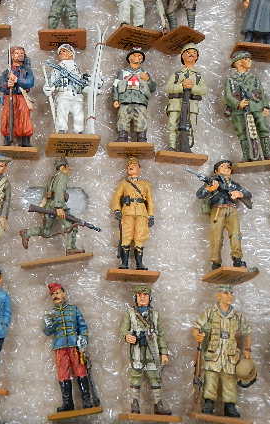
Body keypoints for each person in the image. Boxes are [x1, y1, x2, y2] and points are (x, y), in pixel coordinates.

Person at [192, 285, 252, 418]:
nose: (230, 296)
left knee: (229, 381)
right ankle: (208, 403)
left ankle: (230, 406)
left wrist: (247, 349)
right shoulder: (210, 312)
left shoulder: (237, 316)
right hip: (213, 353)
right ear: (218, 296)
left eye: (231, 293)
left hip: (230, 355)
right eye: (226, 293)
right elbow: (196, 327)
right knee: (210, 380)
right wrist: (197, 336)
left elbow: (247, 332)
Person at [120, 285, 171, 415]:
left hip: (152, 351)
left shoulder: (155, 315)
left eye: (145, 295)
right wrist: (127, 336)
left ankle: (158, 404)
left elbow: (161, 335)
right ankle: (134, 404)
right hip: (137, 350)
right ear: (135, 297)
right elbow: (123, 330)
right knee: (135, 377)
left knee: (155, 377)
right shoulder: (130, 313)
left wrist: (164, 353)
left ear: (150, 298)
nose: (142, 298)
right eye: (139, 295)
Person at [43, 282, 93, 412]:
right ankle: (68, 403)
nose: (55, 295)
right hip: (60, 347)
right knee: (63, 374)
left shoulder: (73, 309)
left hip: (74, 345)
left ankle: (86, 400)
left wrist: (83, 338)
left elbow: (82, 326)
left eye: (57, 292)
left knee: (80, 370)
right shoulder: (50, 314)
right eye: (53, 294)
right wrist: (50, 324)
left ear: (64, 294)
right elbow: (47, 332)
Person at [19, 157, 83, 255]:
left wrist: (42, 207)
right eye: (68, 167)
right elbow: (59, 190)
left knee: (46, 232)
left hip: (49, 207)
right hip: (57, 207)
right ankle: (71, 248)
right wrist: (59, 207)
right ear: (64, 167)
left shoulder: (52, 178)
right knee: (71, 225)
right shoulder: (63, 176)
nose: (69, 169)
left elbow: (46, 194)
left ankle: (27, 233)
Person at [195, 159, 252, 270]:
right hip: (217, 210)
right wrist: (209, 188)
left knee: (236, 234)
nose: (226, 168)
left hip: (232, 209)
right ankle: (216, 262)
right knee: (216, 236)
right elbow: (200, 194)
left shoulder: (234, 185)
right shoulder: (212, 181)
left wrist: (239, 194)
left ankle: (237, 259)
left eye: (228, 167)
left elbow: (248, 194)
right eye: (223, 166)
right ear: (216, 171)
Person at [223, 50, 270, 161]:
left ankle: (267, 154)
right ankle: (247, 156)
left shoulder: (254, 78)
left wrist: (265, 106)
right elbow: (227, 96)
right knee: (242, 132)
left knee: (263, 129)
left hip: (257, 107)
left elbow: (262, 92)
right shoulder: (231, 80)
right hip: (239, 110)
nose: (250, 61)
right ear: (238, 62)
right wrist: (238, 103)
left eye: (250, 59)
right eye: (246, 59)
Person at [110, 157, 154, 270]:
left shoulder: (145, 184)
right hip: (127, 212)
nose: (131, 166)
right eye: (129, 165)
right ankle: (124, 263)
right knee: (126, 236)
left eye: (134, 165)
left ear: (139, 168)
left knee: (140, 236)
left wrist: (151, 215)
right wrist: (117, 209)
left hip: (141, 213)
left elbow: (150, 201)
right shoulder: (123, 183)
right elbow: (116, 197)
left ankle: (139, 264)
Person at [164, 43, 206, 152]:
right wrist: (181, 86)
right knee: (172, 125)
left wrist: (192, 87)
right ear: (182, 56)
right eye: (188, 52)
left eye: (194, 53)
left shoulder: (198, 76)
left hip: (191, 106)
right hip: (176, 104)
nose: (191, 54)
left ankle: (187, 148)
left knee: (191, 127)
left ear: (197, 57)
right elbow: (168, 88)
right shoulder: (177, 74)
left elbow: (204, 90)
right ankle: (172, 146)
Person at [112, 48, 156, 142]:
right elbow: (115, 86)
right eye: (134, 55)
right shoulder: (122, 72)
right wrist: (115, 99)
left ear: (142, 59)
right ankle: (122, 137)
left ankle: (142, 138)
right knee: (123, 117)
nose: (137, 57)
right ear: (129, 58)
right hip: (125, 99)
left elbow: (152, 88)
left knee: (141, 118)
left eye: (139, 56)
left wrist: (148, 80)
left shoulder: (145, 73)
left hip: (140, 100)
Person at [0, 46, 34, 147]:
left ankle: (25, 140)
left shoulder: (27, 70)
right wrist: (7, 85)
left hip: (21, 96)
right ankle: (7, 138)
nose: (20, 55)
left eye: (22, 53)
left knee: (24, 117)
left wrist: (17, 80)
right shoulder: (6, 72)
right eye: (17, 53)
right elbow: (0, 86)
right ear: (12, 56)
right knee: (7, 117)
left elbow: (30, 83)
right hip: (9, 97)